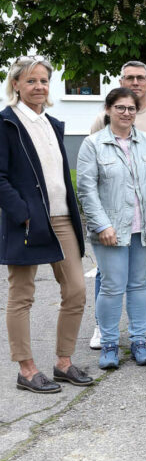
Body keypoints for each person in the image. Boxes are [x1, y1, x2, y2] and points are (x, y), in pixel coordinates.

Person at [0, 56, 92, 393]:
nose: (38, 87)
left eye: (43, 81)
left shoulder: (52, 124)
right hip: (25, 221)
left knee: (77, 291)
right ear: (16, 85)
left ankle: (63, 363)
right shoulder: (6, 123)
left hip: (63, 219)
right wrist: (22, 212)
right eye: (31, 81)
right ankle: (26, 369)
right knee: (21, 294)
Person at [90, 61, 146, 345]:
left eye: (141, 78)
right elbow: (93, 171)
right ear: (121, 80)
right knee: (108, 273)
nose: (136, 82)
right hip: (115, 214)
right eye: (130, 78)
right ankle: (103, 327)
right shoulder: (100, 120)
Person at [77, 88, 146, 369]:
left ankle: (139, 341)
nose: (126, 113)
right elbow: (86, 189)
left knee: (138, 284)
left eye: (131, 108)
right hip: (109, 231)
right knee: (112, 287)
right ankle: (110, 344)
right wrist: (102, 225)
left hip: (143, 229)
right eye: (121, 108)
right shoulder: (93, 144)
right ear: (108, 109)